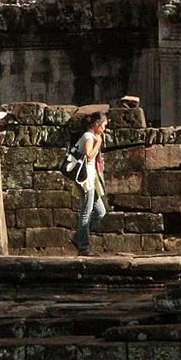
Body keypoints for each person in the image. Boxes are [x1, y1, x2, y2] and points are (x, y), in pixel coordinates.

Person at [71, 109, 108, 256]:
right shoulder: (88, 136)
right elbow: (88, 155)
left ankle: (78, 237)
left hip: (92, 179)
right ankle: (83, 248)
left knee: (100, 211)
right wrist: (98, 143)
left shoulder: (92, 136)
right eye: (103, 125)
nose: (104, 129)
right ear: (97, 124)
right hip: (85, 180)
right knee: (85, 213)